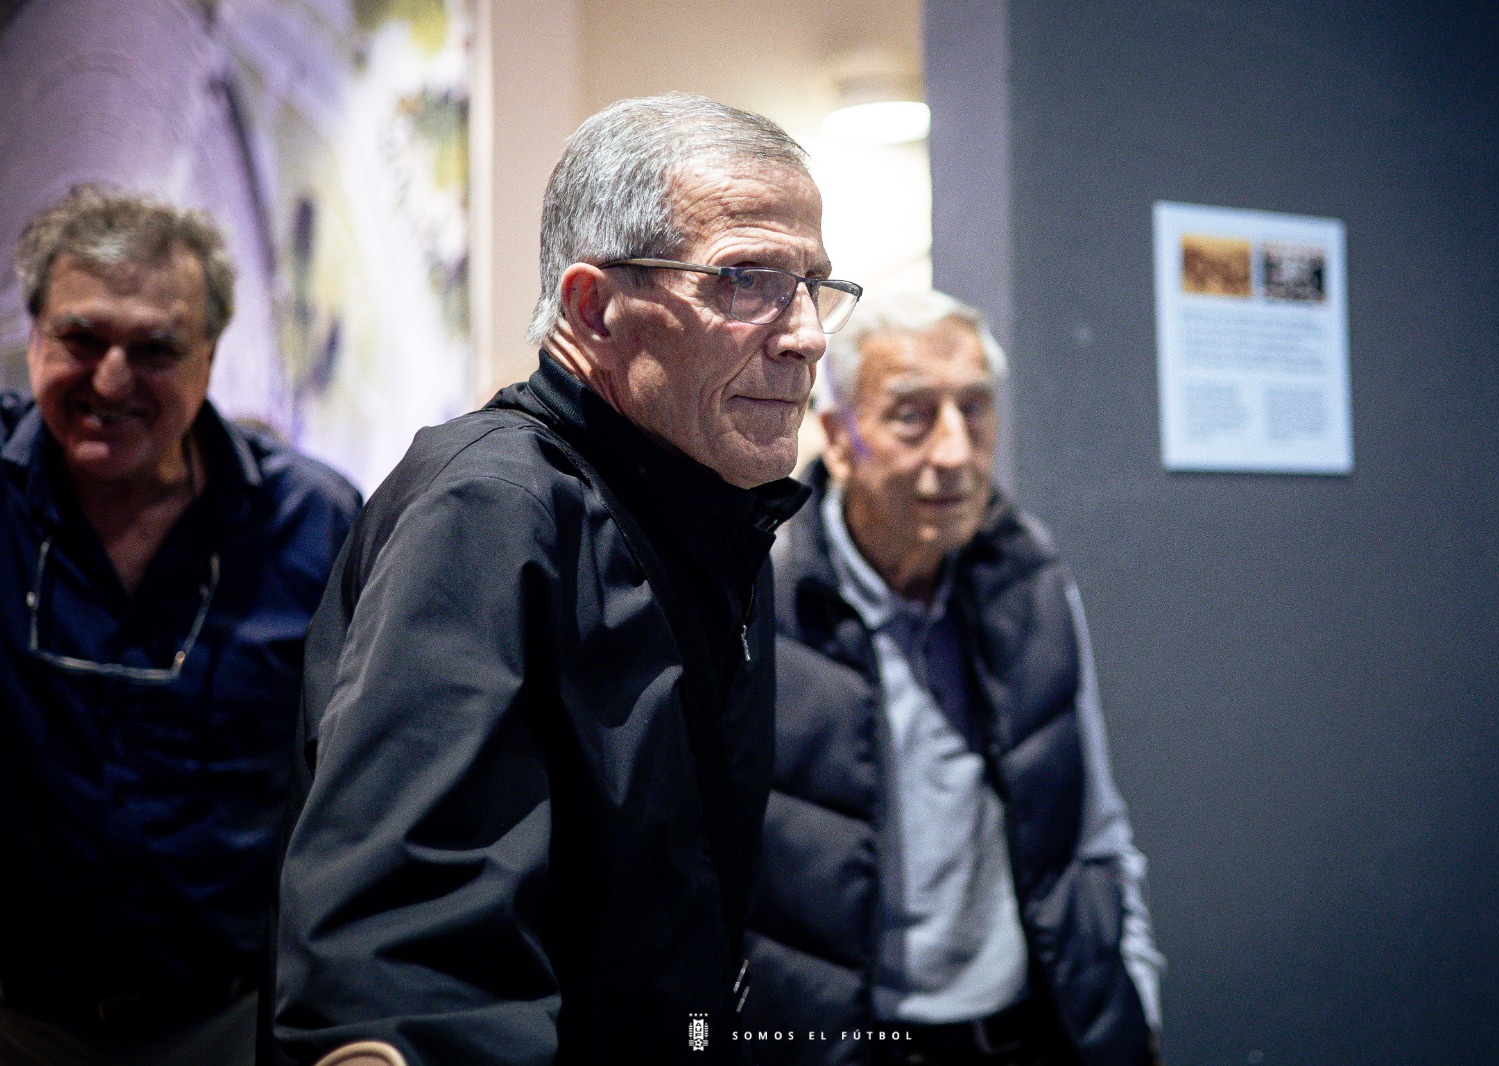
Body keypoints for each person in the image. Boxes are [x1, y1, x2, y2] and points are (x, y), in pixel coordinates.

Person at [270, 93, 860, 1066]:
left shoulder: (705, 503)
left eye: (813, 285)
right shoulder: (493, 508)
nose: (806, 334)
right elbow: (402, 964)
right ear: (592, 308)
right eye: (746, 280)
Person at [744, 290, 1164, 1066]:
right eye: (912, 416)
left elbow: (1095, 826)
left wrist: (1133, 992)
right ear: (840, 438)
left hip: (1031, 1033)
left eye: (975, 410)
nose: (955, 452)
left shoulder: (1029, 580)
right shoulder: (760, 600)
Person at [0, 186, 362, 1064]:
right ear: (34, 335)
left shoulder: (311, 524)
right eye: (81, 339)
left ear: (209, 357)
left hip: (228, 1026)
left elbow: (359, 788)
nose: (110, 380)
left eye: (156, 348)